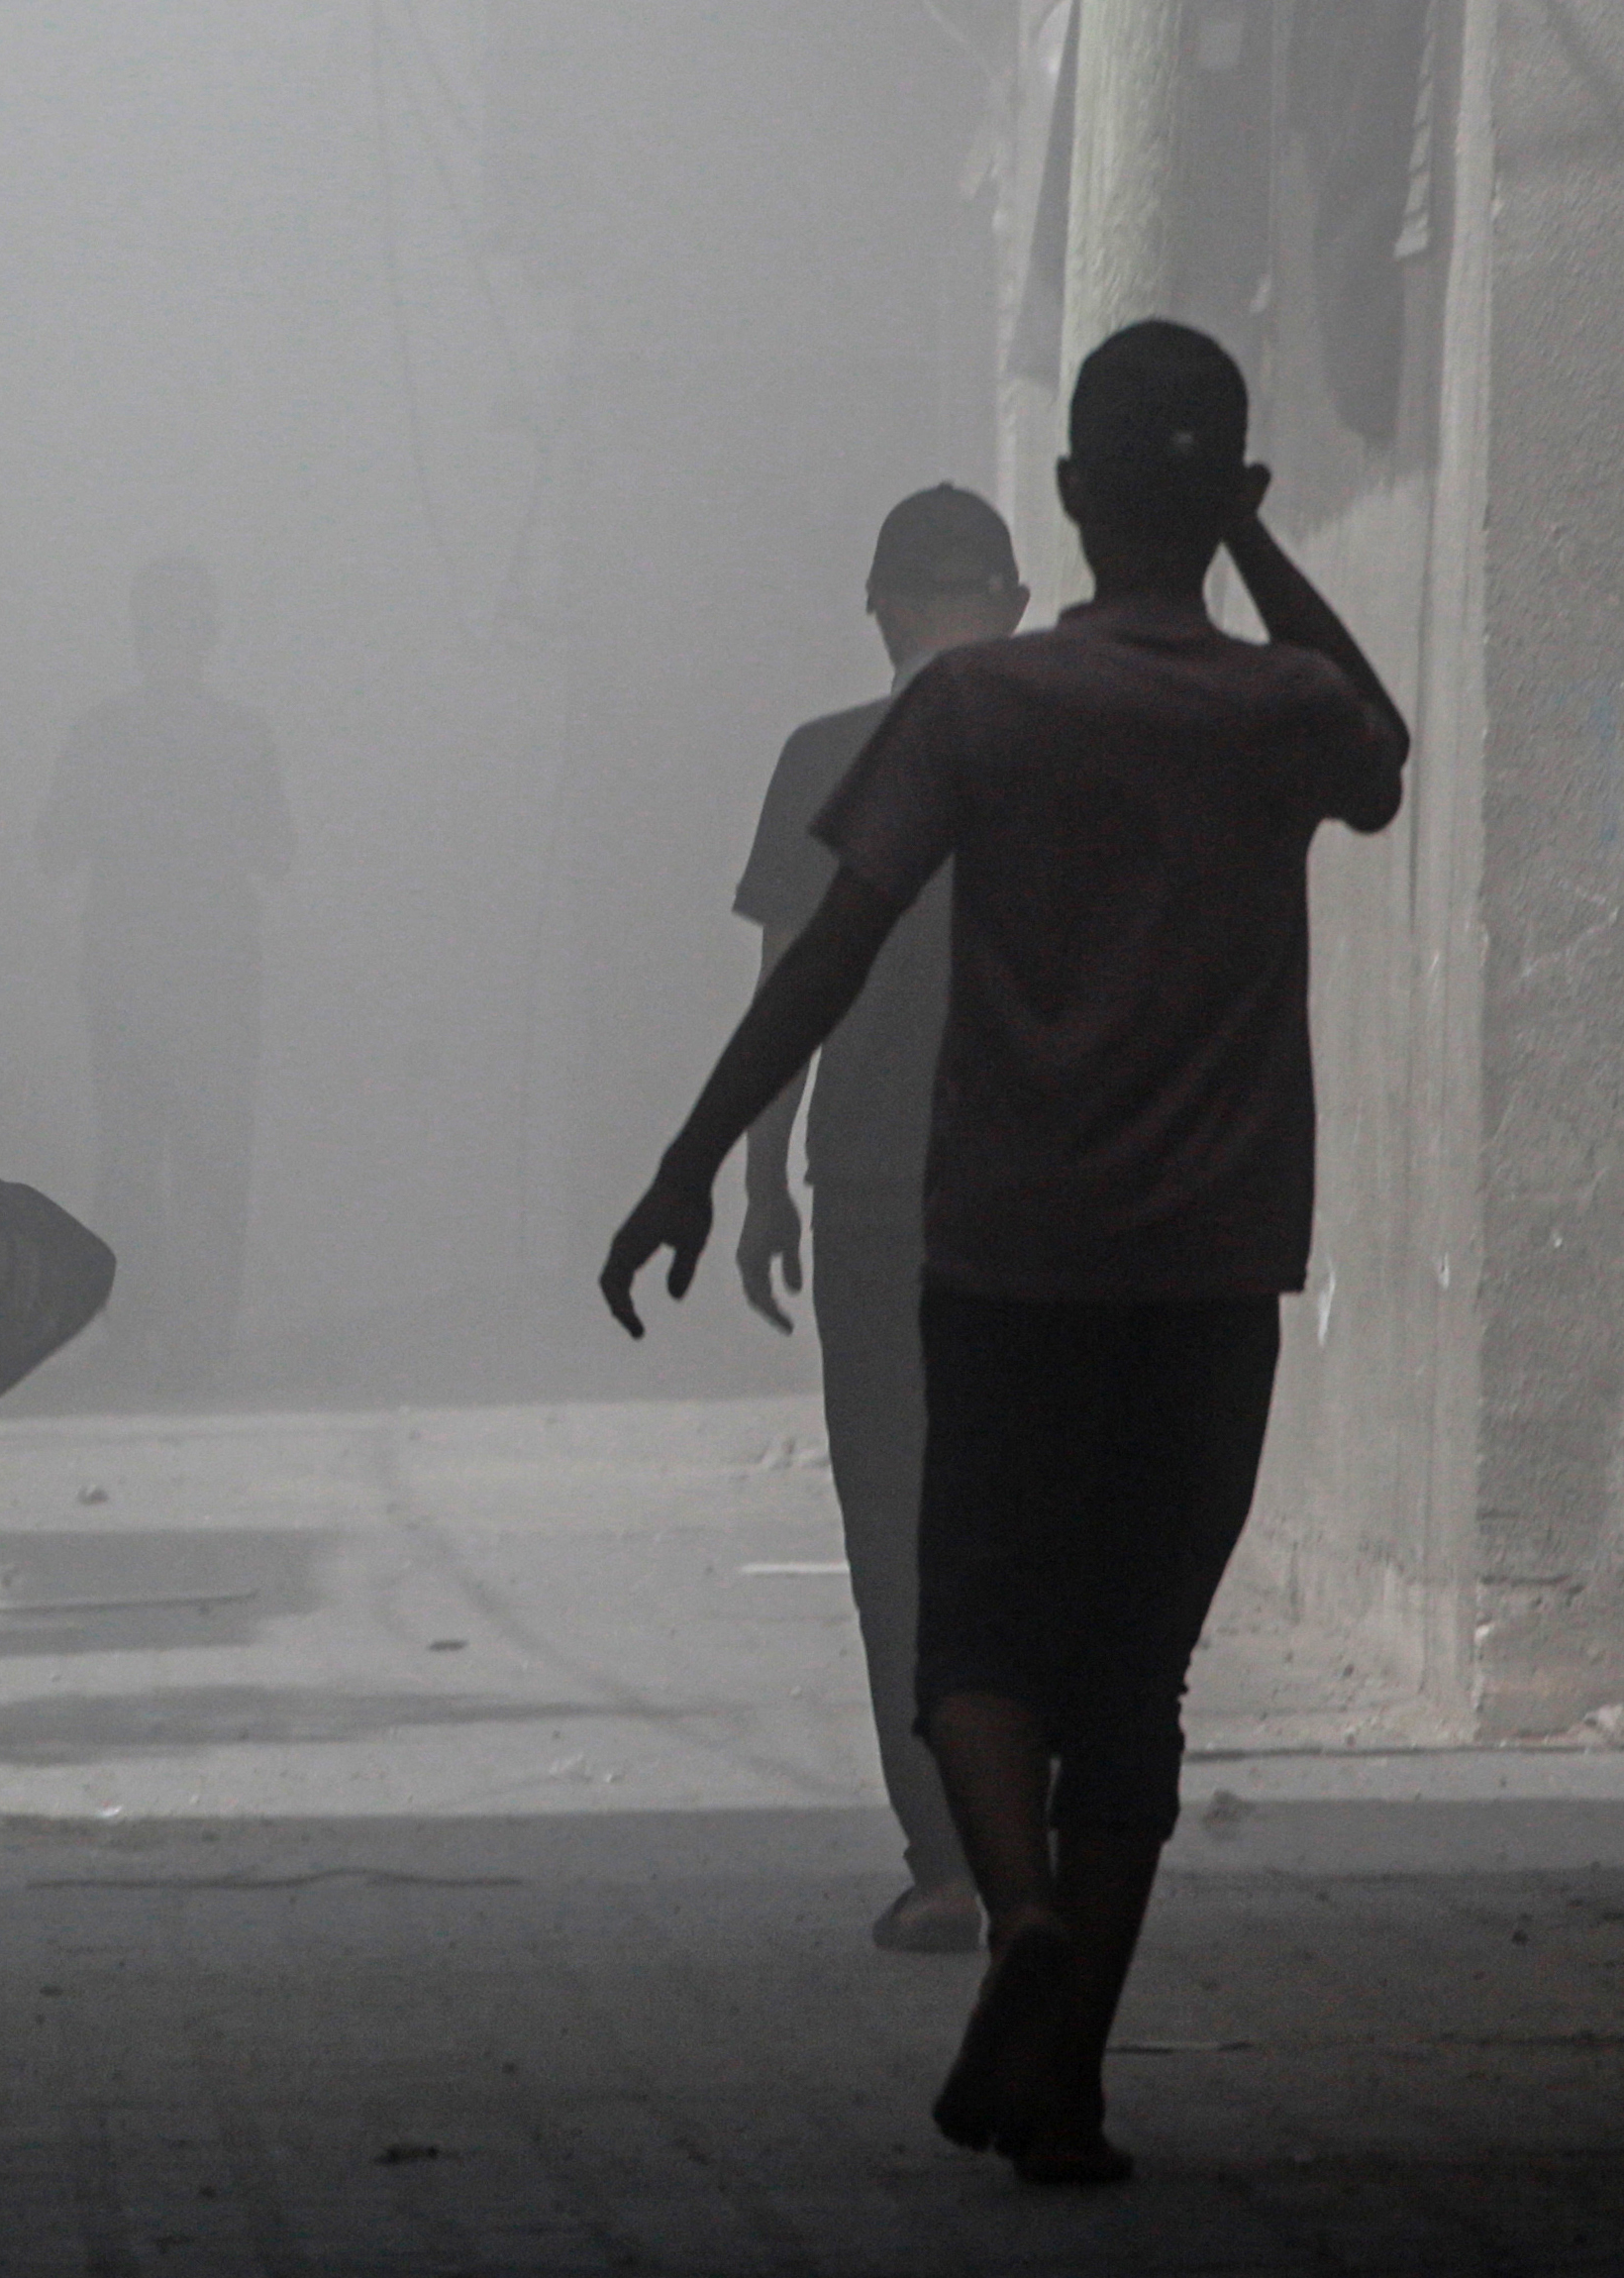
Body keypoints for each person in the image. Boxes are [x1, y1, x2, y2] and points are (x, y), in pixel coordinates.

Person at [600, 322, 1407, 2185]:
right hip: (1210, 1263)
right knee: (1137, 1677)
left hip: (1005, 1245)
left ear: (1065, 506)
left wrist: (696, 1158)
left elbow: (820, 955)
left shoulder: (974, 716)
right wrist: (1257, 548)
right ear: (1214, 500)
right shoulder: (1267, 710)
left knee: (966, 1614)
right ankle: (1076, 2081)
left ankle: (1011, 1907)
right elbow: (1379, 749)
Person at [731, 485, 1030, 1957]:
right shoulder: (1070, 758)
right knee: (1024, 1510)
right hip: (1037, 1194)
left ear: (883, 611)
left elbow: (792, 986)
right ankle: (1027, 1838)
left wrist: (748, 1180)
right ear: (1014, 606)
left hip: (868, 1193)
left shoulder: (822, 758)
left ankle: (949, 1860)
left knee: (894, 1516)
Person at [38, 555, 292, 1397]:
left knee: (132, 1156)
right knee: (210, 1153)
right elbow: (279, 854)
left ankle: (135, 1330)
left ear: (142, 641)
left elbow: (53, 845)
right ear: (208, 639)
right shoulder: (244, 737)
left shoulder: (100, 734)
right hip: (214, 973)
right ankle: (203, 1334)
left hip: (127, 975)